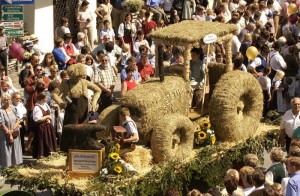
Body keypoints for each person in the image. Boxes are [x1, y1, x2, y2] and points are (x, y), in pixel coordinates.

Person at [0, 93, 23, 167]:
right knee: (7, 152)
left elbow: (18, 120)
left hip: (15, 133)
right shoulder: (1, 111)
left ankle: (15, 168)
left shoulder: (13, 108)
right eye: (5, 100)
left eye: (9, 99)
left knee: (16, 151)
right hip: (5, 135)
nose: (7, 101)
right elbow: (2, 124)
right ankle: (7, 169)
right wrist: (9, 134)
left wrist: (12, 130)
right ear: (2, 101)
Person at [32, 92, 57, 159]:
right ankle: (41, 156)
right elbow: (37, 119)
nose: (46, 99)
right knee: (42, 142)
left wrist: (49, 119)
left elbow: (49, 114)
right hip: (41, 128)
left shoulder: (45, 105)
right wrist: (47, 117)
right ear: (41, 99)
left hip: (48, 127)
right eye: (45, 98)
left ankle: (49, 155)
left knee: (49, 141)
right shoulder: (37, 108)